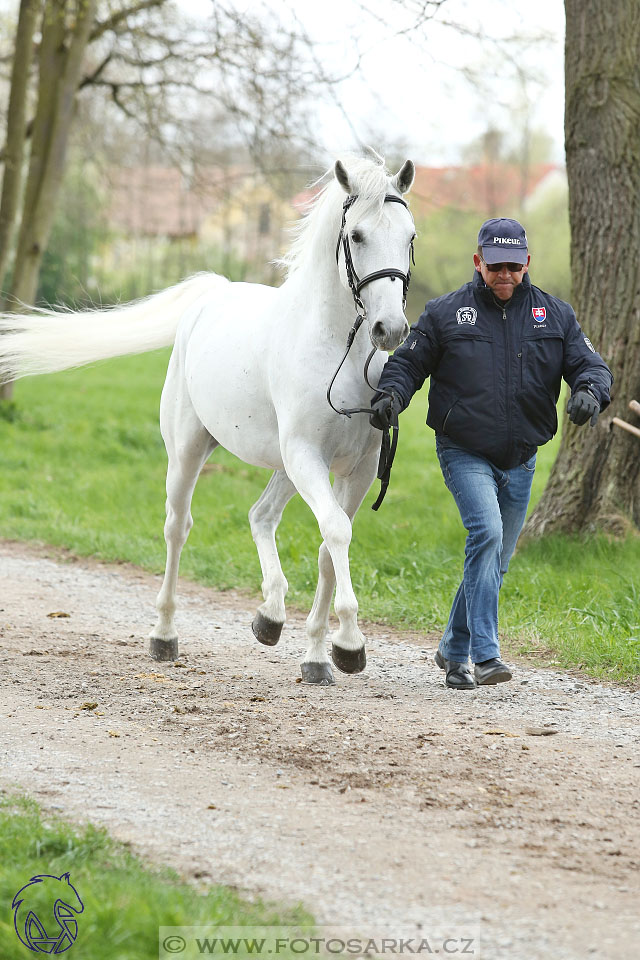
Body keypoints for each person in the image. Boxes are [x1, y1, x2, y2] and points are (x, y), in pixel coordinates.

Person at [370, 217, 613, 690]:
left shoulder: (555, 315)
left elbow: (591, 365)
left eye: (515, 267)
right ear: (478, 262)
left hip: (521, 455)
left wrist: (589, 391)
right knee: (486, 533)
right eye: (496, 266)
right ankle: (485, 655)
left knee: (494, 558)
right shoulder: (444, 313)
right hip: (463, 449)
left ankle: (452, 650)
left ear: (527, 264)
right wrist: (390, 397)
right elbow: (408, 364)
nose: (506, 275)